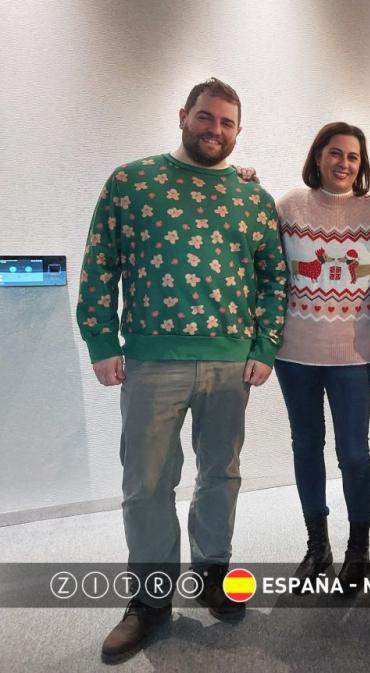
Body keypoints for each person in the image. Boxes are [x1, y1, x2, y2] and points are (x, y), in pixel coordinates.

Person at [76, 78, 287, 663]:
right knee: (146, 482)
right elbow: (101, 264)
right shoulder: (131, 183)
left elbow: (274, 279)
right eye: (205, 117)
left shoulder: (253, 199)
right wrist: (101, 339)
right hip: (151, 360)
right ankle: (149, 600)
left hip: (230, 362)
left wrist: (265, 346)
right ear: (183, 116)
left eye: (226, 122)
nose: (214, 130)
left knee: (221, 474)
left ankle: (213, 571)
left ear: (238, 131)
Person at [273, 122, 370, 591]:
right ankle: (317, 545)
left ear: (362, 165)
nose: (344, 163)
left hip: (353, 355)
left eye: (353, 157)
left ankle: (358, 551)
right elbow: (259, 253)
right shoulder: (288, 207)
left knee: (354, 454)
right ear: (318, 156)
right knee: (306, 446)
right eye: (335, 153)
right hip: (295, 353)